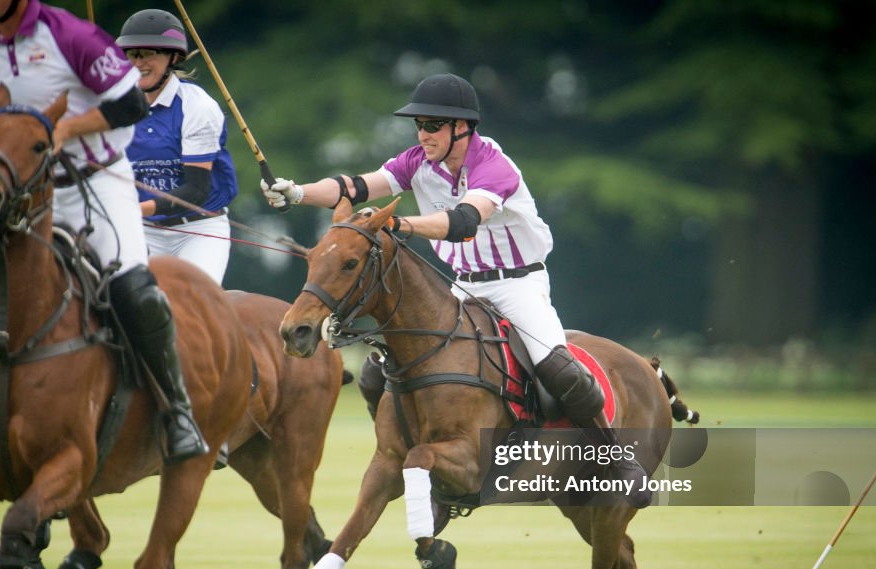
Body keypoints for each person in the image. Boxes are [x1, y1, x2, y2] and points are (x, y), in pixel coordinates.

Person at [261, 73, 651, 508]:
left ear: (461, 128)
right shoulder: (416, 162)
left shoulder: (494, 167)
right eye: (419, 125)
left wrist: (398, 224)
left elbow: (463, 222)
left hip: (518, 282)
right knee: (376, 373)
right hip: (462, 287)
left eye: (431, 125)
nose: (422, 134)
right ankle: (409, 454)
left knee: (559, 370)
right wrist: (296, 192)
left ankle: (617, 458)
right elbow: (354, 187)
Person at [0, 0, 208, 470]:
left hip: (97, 181)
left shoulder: (73, 37)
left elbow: (129, 103)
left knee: (136, 292)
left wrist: (65, 128)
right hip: (23, 193)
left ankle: (178, 413)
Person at [117, 9, 238, 286]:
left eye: (149, 54)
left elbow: (195, 191)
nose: (139, 63)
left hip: (199, 231)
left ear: (173, 57)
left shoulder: (197, 106)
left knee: (196, 305)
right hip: (142, 232)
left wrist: (133, 210)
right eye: (132, 54)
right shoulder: (114, 106)